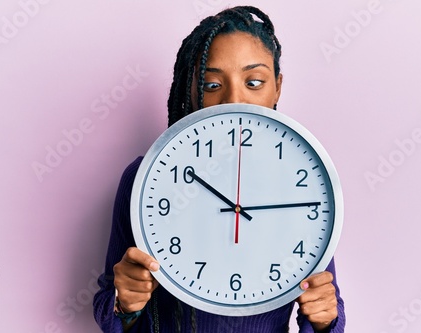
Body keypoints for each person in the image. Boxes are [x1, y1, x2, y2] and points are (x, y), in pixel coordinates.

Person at [93, 6, 345, 333]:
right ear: (192, 90)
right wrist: (124, 301)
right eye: (212, 85)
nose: (233, 99)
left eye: (254, 81)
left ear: (277, 88)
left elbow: (326, 305)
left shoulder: (308, 181)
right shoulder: (144, 179)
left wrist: (325, 317)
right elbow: (107, 303)